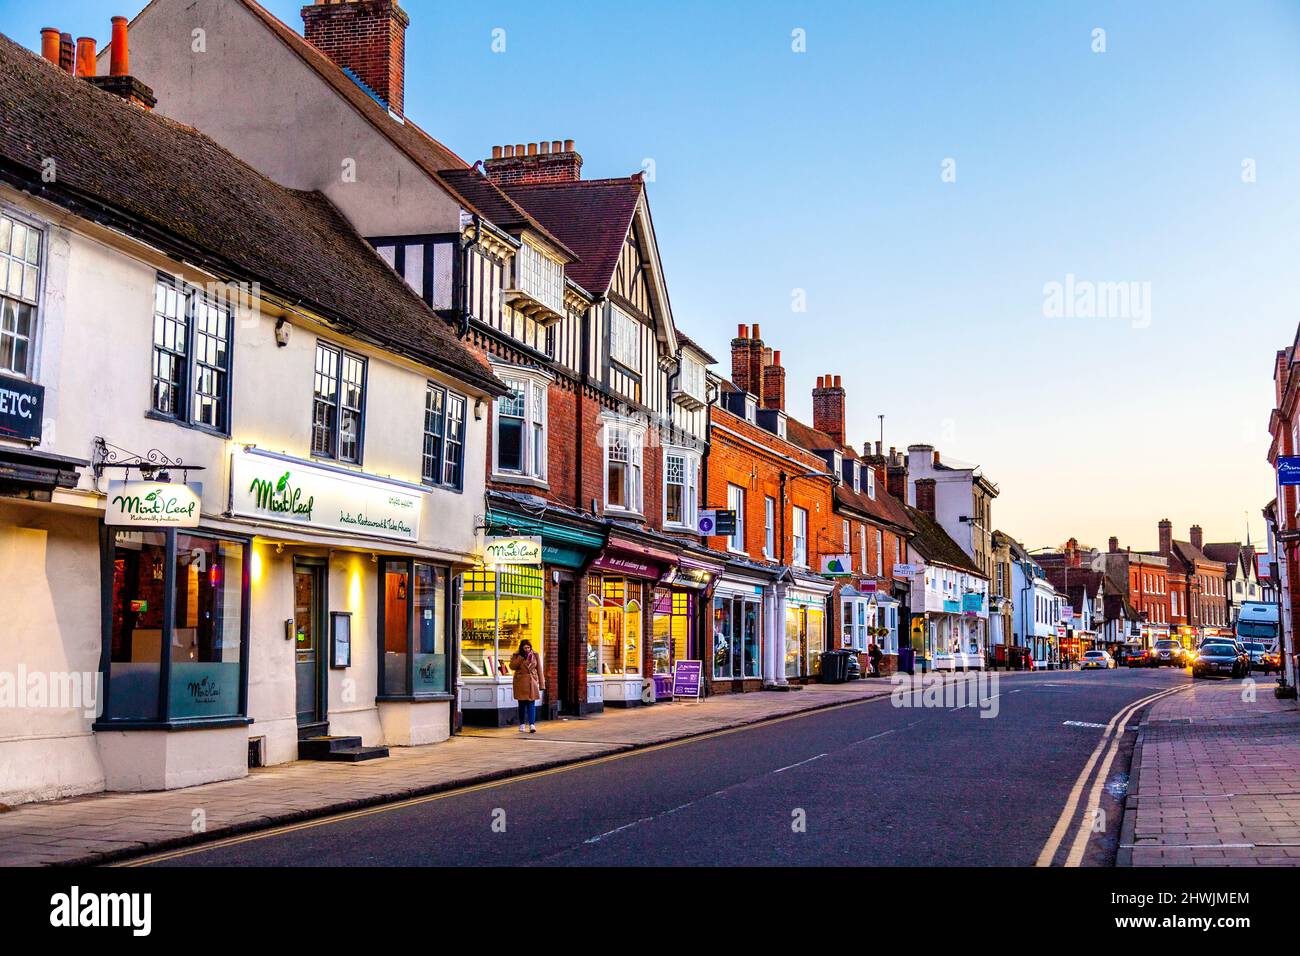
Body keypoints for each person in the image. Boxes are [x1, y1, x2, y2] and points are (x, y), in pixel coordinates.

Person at [509, 639, 544, 734]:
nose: (527, 649)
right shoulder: (516, 655)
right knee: (522, 705)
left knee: (531, 704)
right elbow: (512, 666)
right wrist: (520, 658)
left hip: (532, 682)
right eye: (525, 648)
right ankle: (522, 724)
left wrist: (541, 684)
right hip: (520, 682)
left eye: (528, 647)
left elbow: (539, 670)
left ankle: (532, 725)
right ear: (522, 648)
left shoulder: (535, 655)